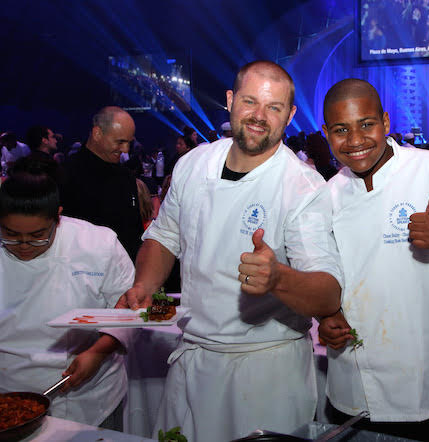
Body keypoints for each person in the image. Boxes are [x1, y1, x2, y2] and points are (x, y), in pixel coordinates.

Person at [117, 60, 343, 442]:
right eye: (250, 101)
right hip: (192, 360)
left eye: (273, 107)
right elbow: (164, 237)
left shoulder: (301, 186)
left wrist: (278, 278)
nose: (259, 116)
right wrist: (144, 285)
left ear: (290, 115)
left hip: (264, 371)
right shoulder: (193, 164)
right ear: (230, 100)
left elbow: (328, 292)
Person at [318, 79, 429, 441]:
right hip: (351, 383)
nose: (355, 140)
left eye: (366, 124)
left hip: (422, 386)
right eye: (341, 130)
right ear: (326, 134)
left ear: (385, 122)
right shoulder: (329, 194)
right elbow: (327, 275)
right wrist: (326, 317)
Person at [0, 159, 134, 427]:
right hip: (10, 389)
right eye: (11, 235)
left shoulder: (97, 244)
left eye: (38, 235)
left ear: (58, 217)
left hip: (91, 393)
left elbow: (129, 308)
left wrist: (98, 352)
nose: (24, 245)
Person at [61, 106, 143, 261]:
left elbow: (134, 231)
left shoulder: (126, 176)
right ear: (97, 133)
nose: (126, 150)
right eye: (120, 142)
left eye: (129, 143)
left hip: (125, 269)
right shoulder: (66, 175)